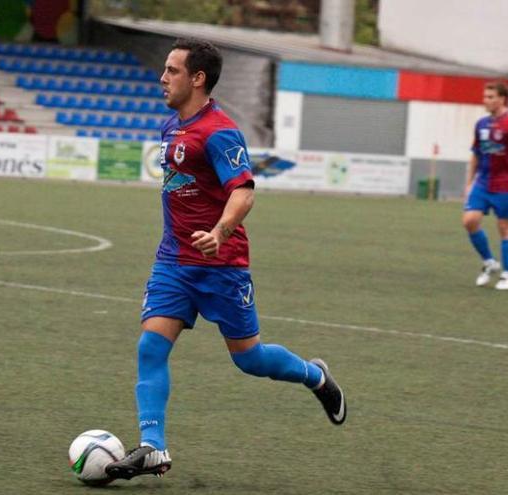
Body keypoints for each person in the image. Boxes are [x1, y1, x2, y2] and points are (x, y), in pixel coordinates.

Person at [105, 38, 346, 481]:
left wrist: (219, 232)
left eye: (172, 70)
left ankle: (315, 376)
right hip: (173, 260)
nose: (163, 77)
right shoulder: (169, 128)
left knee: (249, 359)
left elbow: (243, 190)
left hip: (222, 264)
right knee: (150, 347)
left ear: (198, 78)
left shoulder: (219, 131)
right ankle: (153, 448)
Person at [463, 81, 508, 290]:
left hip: (504, 183)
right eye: (485, 97)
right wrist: (469, 183)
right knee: (470, 220)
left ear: (502, 99)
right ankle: (490, 262)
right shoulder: (481, 124)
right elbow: (475, 155)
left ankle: (507, 275)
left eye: (491, 97)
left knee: (504, 227)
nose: (486, 100)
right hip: (482, 181)